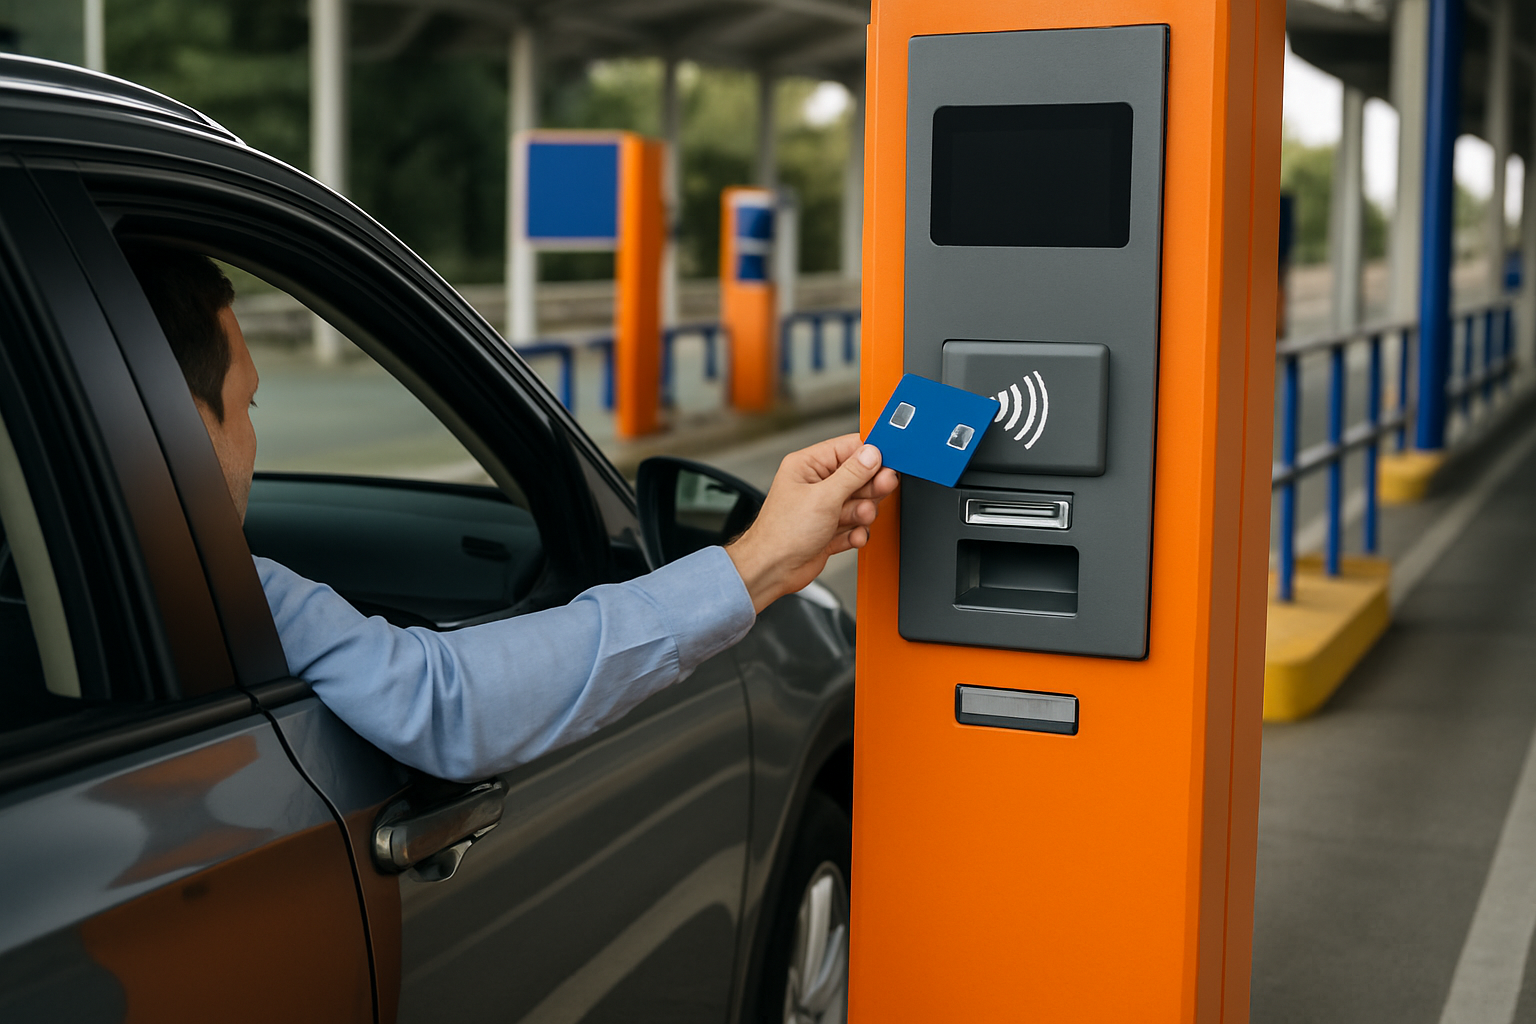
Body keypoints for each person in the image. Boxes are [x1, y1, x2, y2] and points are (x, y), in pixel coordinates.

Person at [125, 245, 898, 782]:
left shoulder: (56, 574)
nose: (254, 434)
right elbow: (443, 703)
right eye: (246, 404)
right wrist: (759, 557)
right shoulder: (212, 586)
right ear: (182, 427)